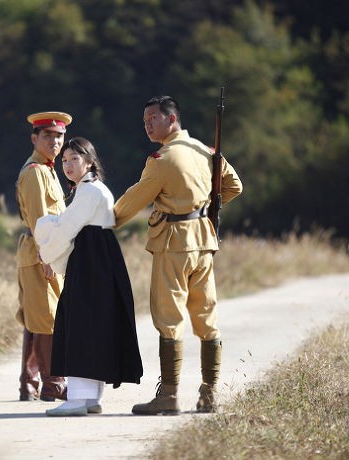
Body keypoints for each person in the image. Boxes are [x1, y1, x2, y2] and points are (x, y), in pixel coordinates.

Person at [113, 95, 243, 415]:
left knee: (169, 318)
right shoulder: (206, 151)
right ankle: (209, 393)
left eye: (153, 119)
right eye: (145, 121)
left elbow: (133, 201)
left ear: (172, 119)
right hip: (204, 241)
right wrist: (205, 207)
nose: (147, 125)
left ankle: (168, 396)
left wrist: (105, 221)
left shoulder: (162, 159)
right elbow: (233, 186)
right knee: (206, 317)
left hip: (173, 243)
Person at [34, 137, 143, 417]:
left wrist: (45, 255)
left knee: (81, 324)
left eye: (74, 159)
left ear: (89, 162)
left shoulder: (90, 192)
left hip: (92, 262)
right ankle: (91, 397)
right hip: (96, 260)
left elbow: (67, 228)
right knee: (94, 324)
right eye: (65, 160)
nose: (68, 165)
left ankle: (79, 399)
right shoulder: (91, 189)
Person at [15, 111, 73, 402]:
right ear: (34, 138)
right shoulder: (36, 172)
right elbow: (41, 220)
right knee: (48, 319)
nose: (55, 141)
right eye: (48, 135)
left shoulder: (47, 169)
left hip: (46, 251)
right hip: (41, 252)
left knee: (37, 317)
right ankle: (54, 384)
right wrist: (48, 256)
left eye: (59, 136)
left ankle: (31, 383)